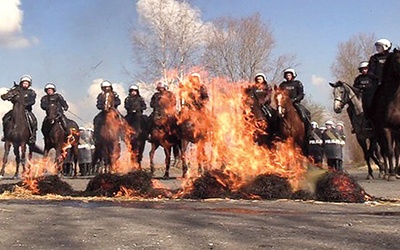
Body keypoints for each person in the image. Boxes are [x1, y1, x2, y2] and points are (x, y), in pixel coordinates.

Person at [1, 75, 38, 145]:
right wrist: (5, 96)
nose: (25, 84)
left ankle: (32, 136)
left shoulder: (31, 92)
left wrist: (25, 104)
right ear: (21, 83)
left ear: (29, 84)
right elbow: (8, 95)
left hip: (26, 110)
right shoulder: (16, 90)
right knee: (5, 118)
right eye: (24, 83)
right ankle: (5, 135)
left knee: (33, 120)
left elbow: (32, 101)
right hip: (16, 109)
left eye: (27, 83)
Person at [279, 68, 311, 136]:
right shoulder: (282, 84)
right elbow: (279, 94)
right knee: (277, 115)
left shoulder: (297, 83)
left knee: (307, 113)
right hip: (284, 104)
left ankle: (308, 132)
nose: (288, 76)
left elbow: (301, 94)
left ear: (293, 75)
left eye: (289, 75)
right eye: (287, 75)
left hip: (295, 103)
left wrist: (295, 99)